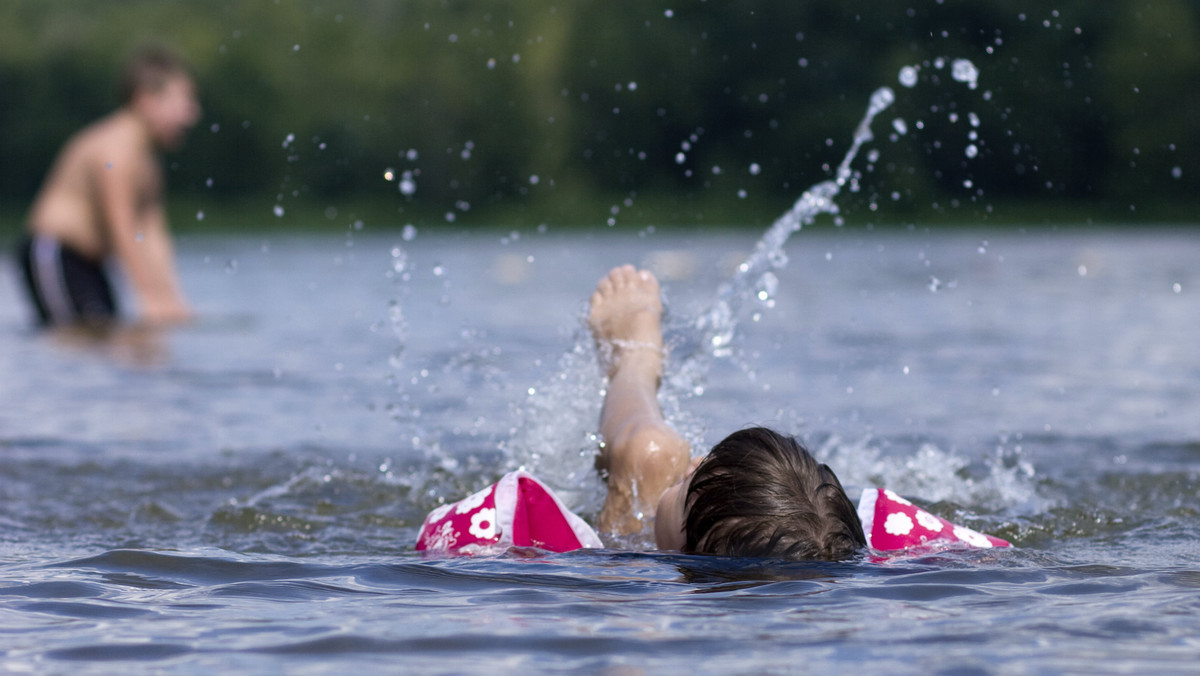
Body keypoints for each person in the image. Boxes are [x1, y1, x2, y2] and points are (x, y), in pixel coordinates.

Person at [417, 265, 1009, 559]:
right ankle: (634, 356)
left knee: (648, 454)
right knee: (651, 452)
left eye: (690, 480)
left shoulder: (656, 535)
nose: (693, 458)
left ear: (690, 552)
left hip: (634, 540)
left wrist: (664, 483)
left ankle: (635, 355)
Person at [16, 43, 200, 326]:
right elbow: (121, 227)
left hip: (89, 263)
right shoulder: (115, 151)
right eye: (183, 102)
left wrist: (171, 299)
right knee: (80, 336)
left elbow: (151, 235)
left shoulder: (149, 162)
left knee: (106, 333)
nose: (192, 115)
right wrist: (149, 297)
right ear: (147, 100)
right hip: (53, 253)